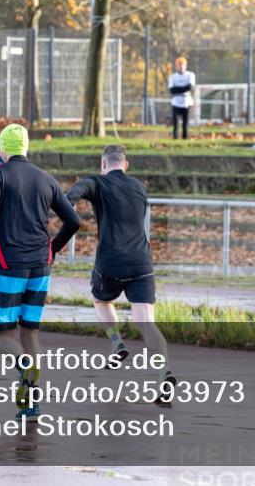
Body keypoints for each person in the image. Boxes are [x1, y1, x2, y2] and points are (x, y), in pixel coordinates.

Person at [0, 123, 81, 420]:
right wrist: (53, 248)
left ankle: (25, 370)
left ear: (2, 149)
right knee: (30, 333)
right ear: (26, 147)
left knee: (2, 335)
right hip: (41, 264)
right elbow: (73, 221)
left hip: (9, 263)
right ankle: (30, 405)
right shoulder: (46, 178)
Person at [66, 145, 176, 398]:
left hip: (111, 262)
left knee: (100, 301)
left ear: (103, 164)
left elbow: (74, 193)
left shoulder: (97, 182)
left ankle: (117, 343)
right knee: (146, 322)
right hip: (141, 262)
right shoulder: (140, 187)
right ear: (126, 165)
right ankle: (164, 371)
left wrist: (68, 206)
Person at [168, 56, 196, 140]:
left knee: (185, 122)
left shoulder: (190, 75)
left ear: (185, 66)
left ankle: (185, 138)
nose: (181, 67)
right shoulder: (173, 77)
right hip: (176, 101)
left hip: (186, 101)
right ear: (176, 66)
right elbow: (172, 90)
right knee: (175, 123)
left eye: (182, 65)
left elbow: (190, 87)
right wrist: (183, 88)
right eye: (179, 65)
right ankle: (175, 138)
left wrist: (178, 89)